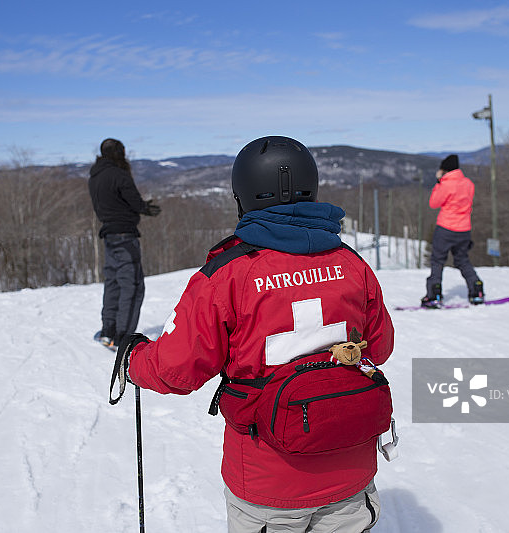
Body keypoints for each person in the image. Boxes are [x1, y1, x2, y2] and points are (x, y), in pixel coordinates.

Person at [118, 136, 394, 532]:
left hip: (269, 480)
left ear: (242, 196)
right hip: (350, 468)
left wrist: (135, 361)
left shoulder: (228, 274)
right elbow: (380, 348)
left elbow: (175, 369)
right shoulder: (351, 264)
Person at [88, 138, 160, 349]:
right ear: (119, 152)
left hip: (109, 237)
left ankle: (108, 331)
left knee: (113, 284)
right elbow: (134, 201)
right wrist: (146, 208)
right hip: (125, 237)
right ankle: (123, 339)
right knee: (132, 286)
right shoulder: (119, 175)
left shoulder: (94, 176)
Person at [421, 154, 484, 308]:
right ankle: (477, 290)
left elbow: (434, 203)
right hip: (464, 229)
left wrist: (438, 181)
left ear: (444, 169)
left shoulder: (445, 184)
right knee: (462, 260)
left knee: (437, 261)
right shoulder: (468, 184)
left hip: (446, 228)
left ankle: (434, 294)